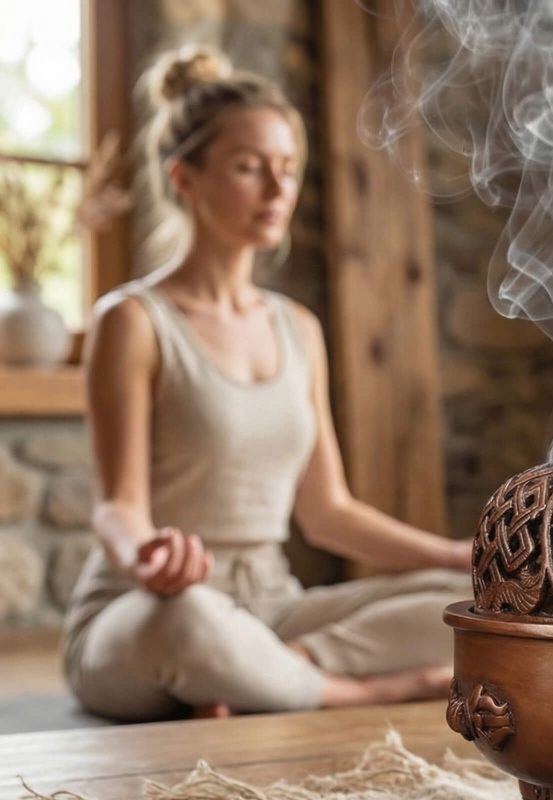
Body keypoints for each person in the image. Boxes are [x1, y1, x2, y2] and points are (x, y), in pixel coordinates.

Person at [62, 45, 473, 721]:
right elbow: (117, 506)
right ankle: (358, 690)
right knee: (190, 621)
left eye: (287, 169)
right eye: (250, 168)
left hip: (274, 609)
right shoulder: (132, 321)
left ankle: (277, 675)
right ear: (184, 178)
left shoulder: (298, 329)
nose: (278, 189)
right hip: (149, 609)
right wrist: (149, 557)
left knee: (476, 601)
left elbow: (327, 512)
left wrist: (457, 555)